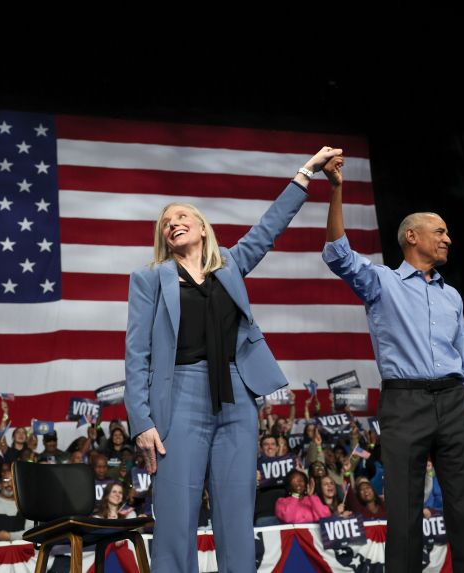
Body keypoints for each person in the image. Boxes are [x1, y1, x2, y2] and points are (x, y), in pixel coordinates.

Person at [125, 146, 342, 572]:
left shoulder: (231, 265)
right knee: (175, 519)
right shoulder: (149, 279)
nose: (174, 224)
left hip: (235, 397)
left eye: (182, 217)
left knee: (236, 517)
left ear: (202, 228)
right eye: (167, 223)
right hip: (179, 398)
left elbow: (269, 227)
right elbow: (136, 352)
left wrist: (305, 173)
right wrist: (142, 420)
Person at [321, 155, 464, 573]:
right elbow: (336, 253)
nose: (448, 239)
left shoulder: (452, 295)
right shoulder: (381, 282)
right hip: (405, 405)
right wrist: (336, 188)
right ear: (411, 236)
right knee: (404, 514)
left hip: (457, 403)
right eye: (439, 231)